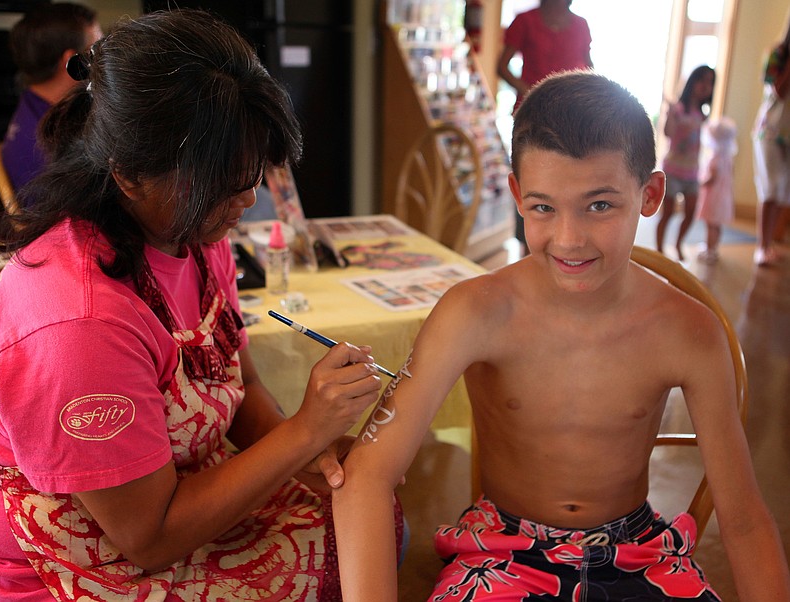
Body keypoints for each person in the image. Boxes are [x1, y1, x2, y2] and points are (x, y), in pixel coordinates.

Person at [0, 9, 402, 600]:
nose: (248, 199)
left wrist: (314, 456)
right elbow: (149, 537)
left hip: (174, 504)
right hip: (70, 567)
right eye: (226, 180)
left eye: (252, 175)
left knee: (369, 517)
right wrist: (304, 433)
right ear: (131, 176)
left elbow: (240, 390)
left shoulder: (192, 233)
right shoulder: (74, 320)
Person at [333, 71, 790, 601]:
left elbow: (744, 520)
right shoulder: (474, 313)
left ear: (651, 194)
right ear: (517, 195)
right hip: (501, 551)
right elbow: (366, 475)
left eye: (599, 205)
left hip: (639, 551)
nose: (569, 240)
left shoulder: (688, 331)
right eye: (544, 207)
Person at [497, 0, 593, 257]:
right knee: (530, 183)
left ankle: (561, 249)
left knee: (566, 182)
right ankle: (527, 252)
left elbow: (588, 68)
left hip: (569, 117)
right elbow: (502, 66)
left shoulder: (581, 25)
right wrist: (527, 91)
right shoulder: (525, 21)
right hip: (532, 116)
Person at [1, 2, 101, 197]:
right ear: (73, 61)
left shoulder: (32, 107)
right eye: (96, 51)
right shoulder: (54, 144)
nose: (102, 60)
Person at [655, 65, 715, 261]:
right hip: (672, 169)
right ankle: (659, 251)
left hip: (692, 173)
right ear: (692, 82)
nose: (705, 86)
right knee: (668, 213)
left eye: (710, 82)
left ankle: (678, 244)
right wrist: (671, 115)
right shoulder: (679, 109)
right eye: (702, 80)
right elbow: (668, 133)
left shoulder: (702, 114)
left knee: (691, 212)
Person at [752, 17, 790, 267]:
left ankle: (769, 244)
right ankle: (761, 246)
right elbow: (778, 89)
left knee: (783, 191)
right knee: (770, 188)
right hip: (770, 131)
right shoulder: (777, 54)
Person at [696, 117, 738, 264]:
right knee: (717, 225)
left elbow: (712, 178)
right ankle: (714, 248)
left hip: (713, 196)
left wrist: (700, 182)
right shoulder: (728, 157)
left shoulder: (715, 157)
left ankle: (709, 250)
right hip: (725, 196)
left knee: (710, 225)